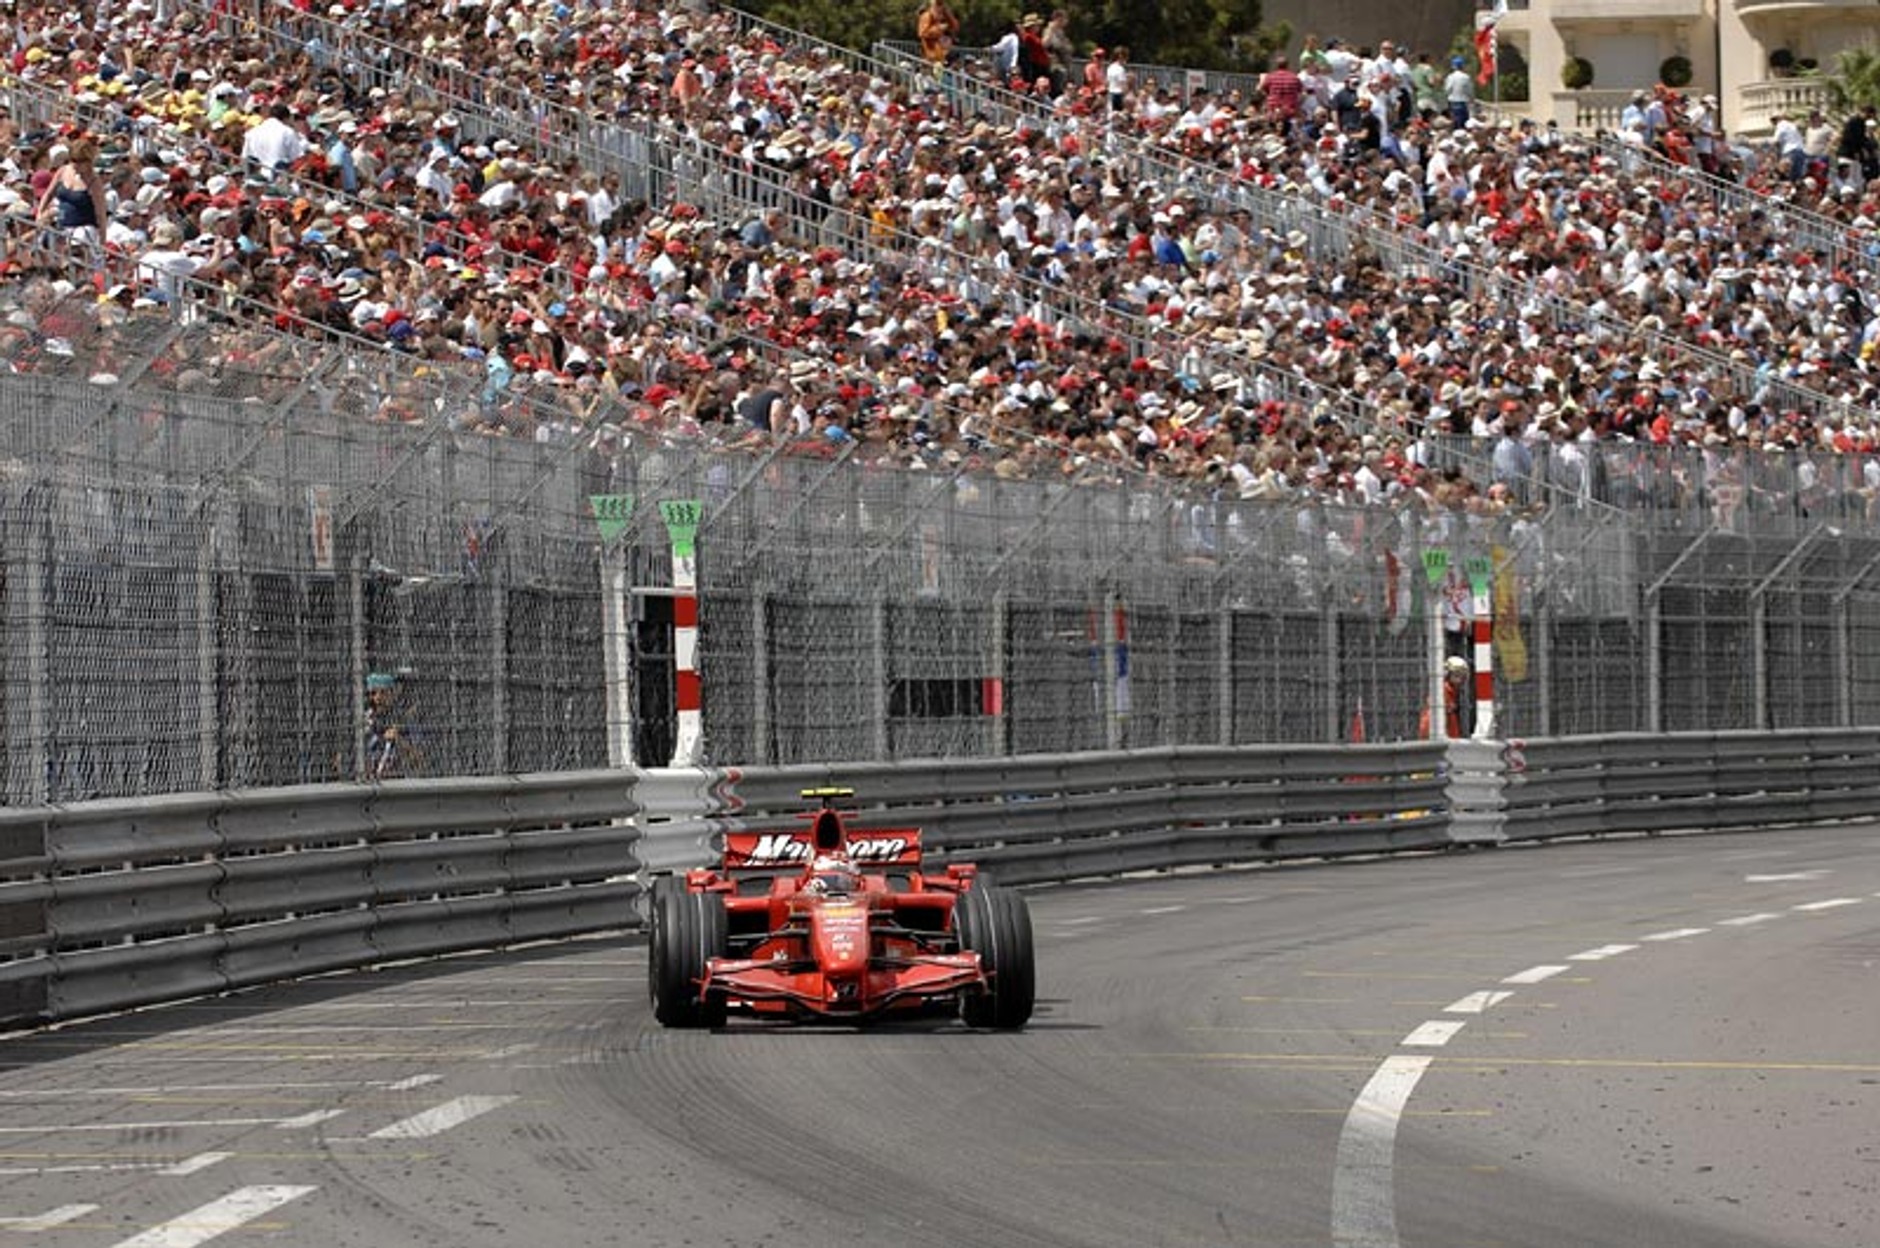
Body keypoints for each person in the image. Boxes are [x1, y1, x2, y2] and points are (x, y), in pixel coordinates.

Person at [365, 671, 423, 779]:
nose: (378, 698)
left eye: (383, 693)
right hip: (367, 778)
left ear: (391, 694)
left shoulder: (405, 720)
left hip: (395, 779)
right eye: (373, 693)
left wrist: (398, 740)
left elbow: (418, 759)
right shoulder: (365, 719)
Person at [1418, 656, 1468, 740]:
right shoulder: (1442, 692)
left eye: (1462, 677)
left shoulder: (1452, 692)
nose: (1459, 680)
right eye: (1456, 675)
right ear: (1448, 674)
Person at [916, 0, 960, 68]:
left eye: (942, 4)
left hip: (940, 58)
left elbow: (955, 26)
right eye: (938, 4)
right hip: (931, 58)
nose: (940, 7)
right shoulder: (926, 16)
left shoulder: (941, 17)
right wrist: (939, 28)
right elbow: (923, 33)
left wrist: (947, 13)